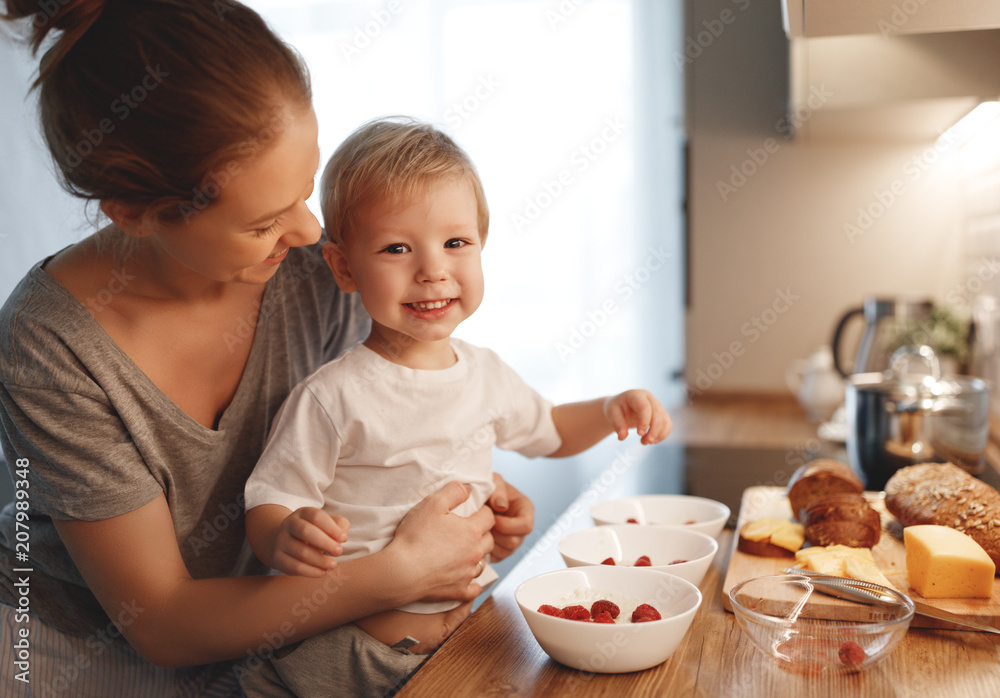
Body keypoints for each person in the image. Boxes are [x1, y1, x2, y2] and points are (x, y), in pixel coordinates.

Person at [0, 2, 535, 696]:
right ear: (132, 213)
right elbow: (161, 622)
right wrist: (398, 573)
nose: (310, 230)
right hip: (75, 662)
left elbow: (378, 419)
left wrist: (459, 496)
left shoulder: (314, 272)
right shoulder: (49, 348)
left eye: (304, 190)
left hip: (278, 644)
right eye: (262, 221)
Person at [239, 117, 673, 696]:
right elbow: (272, 495)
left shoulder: (486, 373)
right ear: (344, 268)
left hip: (467, 641)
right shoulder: (332, 395)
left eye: (455, 243)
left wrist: (610, 408)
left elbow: (550, 430)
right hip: (350, 655)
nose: (433, 270)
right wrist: (283, 534)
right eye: (397, 248)